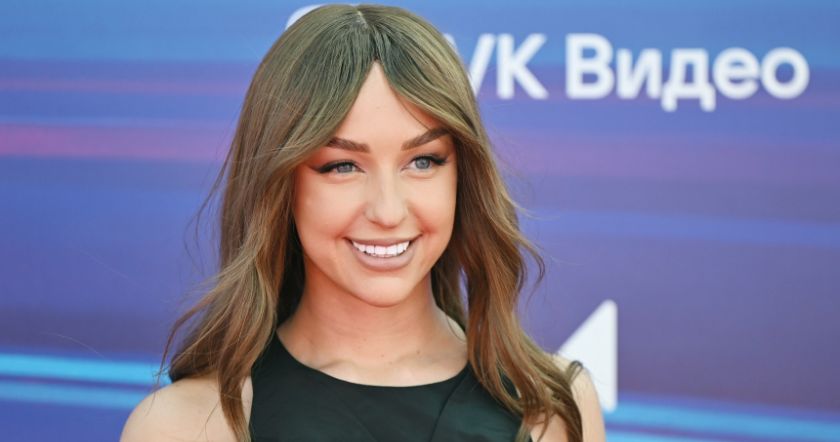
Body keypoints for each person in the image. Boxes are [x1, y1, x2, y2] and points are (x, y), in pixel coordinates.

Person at [121, 4, 605, 442]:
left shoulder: (549, 407)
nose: (388, 211)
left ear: (464, 176)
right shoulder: (188, 426)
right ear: (281, 187)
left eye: (423, 161)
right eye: (342, 166)